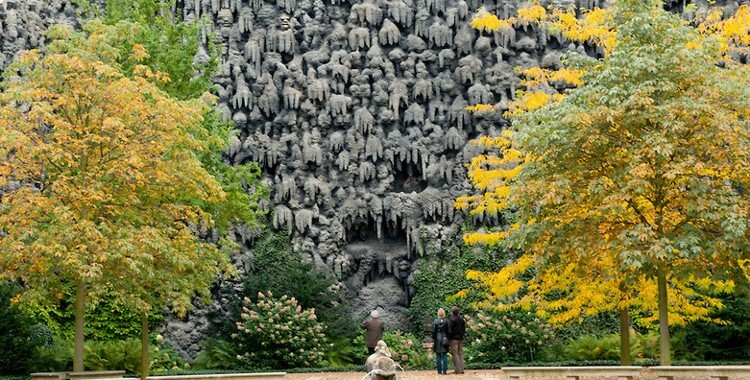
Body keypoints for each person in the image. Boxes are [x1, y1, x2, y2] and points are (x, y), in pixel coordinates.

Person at [448, 306, 466, 374]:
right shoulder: (461, 319)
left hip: (454, 339)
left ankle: (457, 370)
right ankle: (462, 369)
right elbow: (464, 329)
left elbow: (450, 330)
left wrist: (449, 338)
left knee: (455, 354)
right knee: (460, 353)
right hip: (460, 338)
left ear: (452, 312)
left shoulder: (451, 319)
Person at [432, 308, 449, 375]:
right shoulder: (447, 321)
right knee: (444, 354)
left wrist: (434, 337)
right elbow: (448, 330)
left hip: (438, 339)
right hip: (445, 338)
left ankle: (439, 371)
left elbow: (434, 331)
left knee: (438, 355)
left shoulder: (435, 321)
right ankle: (445, 371)